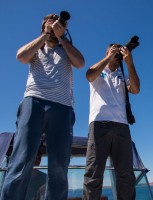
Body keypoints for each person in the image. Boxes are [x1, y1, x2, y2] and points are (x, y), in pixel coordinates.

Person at [0, 13, 85, 200]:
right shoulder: (36, 48)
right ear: (43, 27)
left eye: (57, 23)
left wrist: (62, 38)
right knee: (22, 160)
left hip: (63, 107)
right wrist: (45, 35)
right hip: (34, 101)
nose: (54, 25)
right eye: (50, 22)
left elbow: (80, 63)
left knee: (59, 165)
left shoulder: (66, 50)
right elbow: (21, 56)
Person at [83, 43, 140, 200]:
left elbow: (135, 89)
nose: (116, 52)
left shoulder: (123, 74)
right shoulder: (100, 70)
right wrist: (108, 57)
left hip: (122, 126)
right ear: (107, 51)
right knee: (94, 172)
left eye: (118, 49)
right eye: (113, 49)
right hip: (99, 124)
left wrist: (129, 62)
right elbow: (89, 75)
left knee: (126, 175)